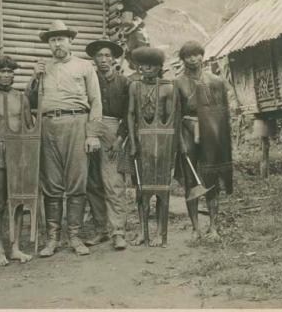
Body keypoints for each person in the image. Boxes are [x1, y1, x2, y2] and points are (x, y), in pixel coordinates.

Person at [26, 20, 102, 257]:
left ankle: (75, 237)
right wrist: (34, 78)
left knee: (77, 182)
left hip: (77, 124)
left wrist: (92, 134)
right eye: (52, 39)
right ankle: (52, 239)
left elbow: (96, 101)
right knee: (52, 184)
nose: (57, 43)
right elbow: (29, 102)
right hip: (48, 126)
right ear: (49, 44)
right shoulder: (43, 68)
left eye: (61, 39)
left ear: (70, 41)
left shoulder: (84, 66)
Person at [175, 41, 233, 242]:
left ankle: (214, 227)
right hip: (187, 129)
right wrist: (180, 140)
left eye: (196, 54)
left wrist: (220, 137)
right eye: (188, 56)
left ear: (202, 56)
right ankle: (195, 228)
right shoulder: (178, 82)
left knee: (211, 177)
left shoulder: (215, 81)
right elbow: (176, 114)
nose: (193, 59)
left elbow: (223, 113)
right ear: (182, 59)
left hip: (211, 131)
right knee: (191, 180)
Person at [0, 55, 34, 266]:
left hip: (19, 153)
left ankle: (15, 248)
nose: (6, 75)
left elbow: (29, 128)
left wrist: (29, 156)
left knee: (18, 200)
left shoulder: (22, 98)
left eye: (10, 71)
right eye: (2, 71)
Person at [128, 47, 180, 247]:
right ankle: (142, 232)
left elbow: (169, 121)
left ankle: (160, 234)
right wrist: (133, 142)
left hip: (162, 144)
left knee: (162, 189)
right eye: (143, 64)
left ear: (159, 67)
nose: (147, 68)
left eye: (152, 65)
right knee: (142, 190)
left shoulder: (167, 87)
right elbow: (131, 114)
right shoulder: (134, 87)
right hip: (142, 143)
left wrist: (169, 146)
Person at [84, 37, 129, 250]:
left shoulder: (123, 82)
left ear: (113, 59)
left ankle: (118, 231)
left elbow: (130, 114)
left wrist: (120, 139)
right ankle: (100, 229)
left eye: (107, 56)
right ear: (93, 58)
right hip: (90, 129)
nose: (103, 59)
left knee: (113, 182)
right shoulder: (87, 80)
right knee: (92, 182)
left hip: (112, 130)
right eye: (99, 55)